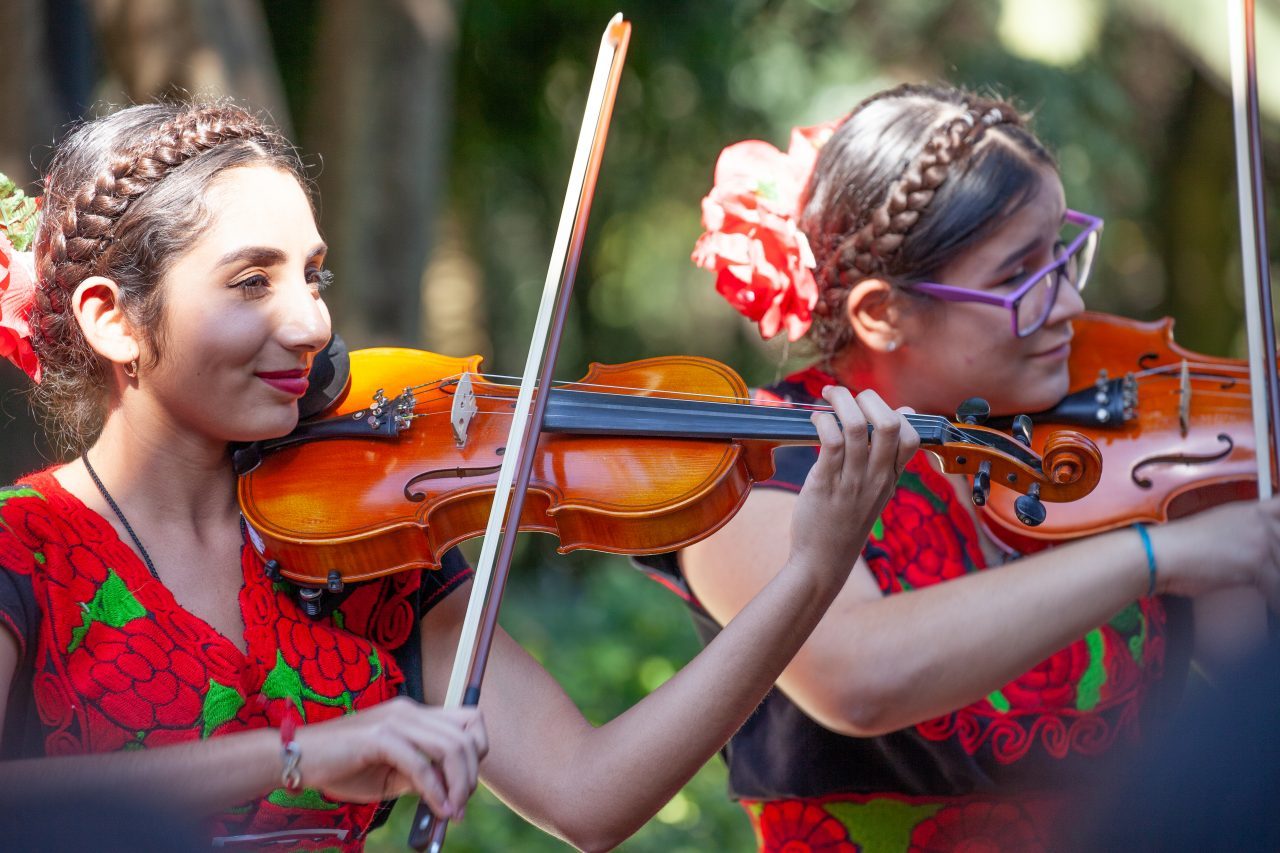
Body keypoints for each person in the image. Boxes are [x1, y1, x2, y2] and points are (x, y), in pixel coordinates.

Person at [0, 101, 920, 851]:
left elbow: (590, 796)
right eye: (251, 283)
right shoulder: (25, 547)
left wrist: (810, 573)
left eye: (313, 278)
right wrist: (297, 753)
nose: (312, 326)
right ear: (113, 320)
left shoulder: (362, 550)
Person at [638, 83, 1280, 851]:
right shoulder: (756, 466)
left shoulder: (1130, 447)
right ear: (882, 313)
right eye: (1020, 276)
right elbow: (859, 677)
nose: (1071, 306)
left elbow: (1254, 673)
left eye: (1063, 255)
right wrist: (1156, 555)